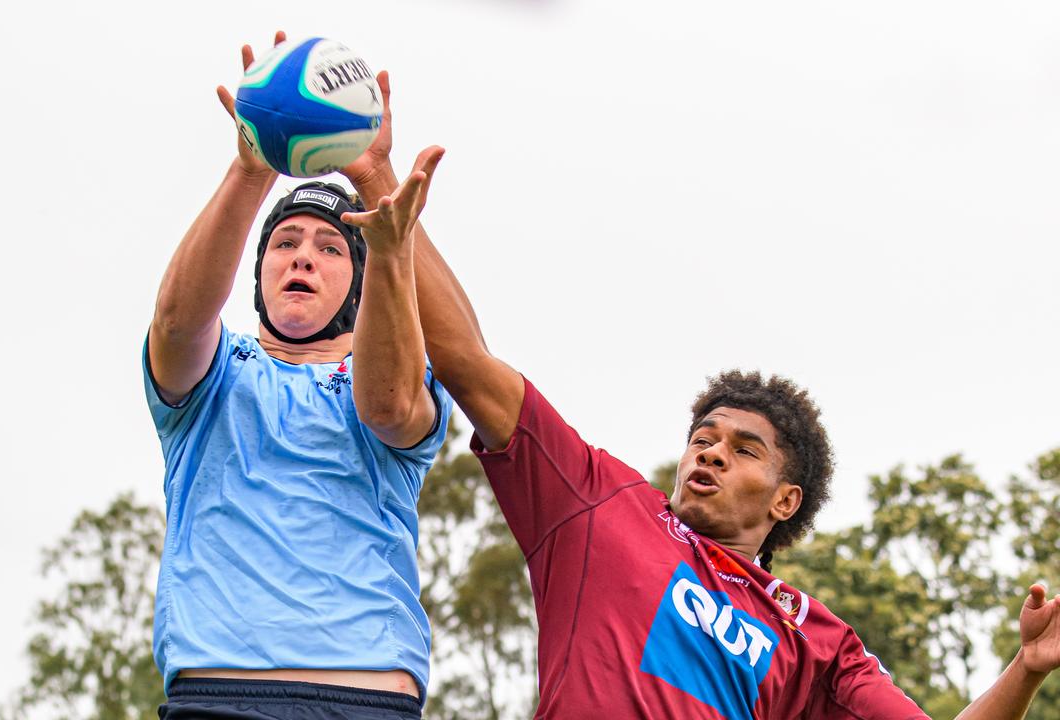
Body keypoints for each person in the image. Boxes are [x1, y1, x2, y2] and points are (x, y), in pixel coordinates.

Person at [347, 69, 1060, 720]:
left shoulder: (816, 641)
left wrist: (1024, 669)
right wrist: (378, 178)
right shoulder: (604, 501)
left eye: (744, 450)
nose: (710, 454)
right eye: (703, 439)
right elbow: (469, 363)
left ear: (786, 500)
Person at [142, 33, 452, 720]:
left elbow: (391, 409)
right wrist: (252, 171)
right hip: (216, 693)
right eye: (284, 243)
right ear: (256, 275)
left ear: (360, 277)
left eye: (329, 245)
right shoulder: (216, 373)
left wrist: (379, 194)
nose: (301, 256)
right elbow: (175, 324)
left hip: (364, 695)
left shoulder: (399, 365)